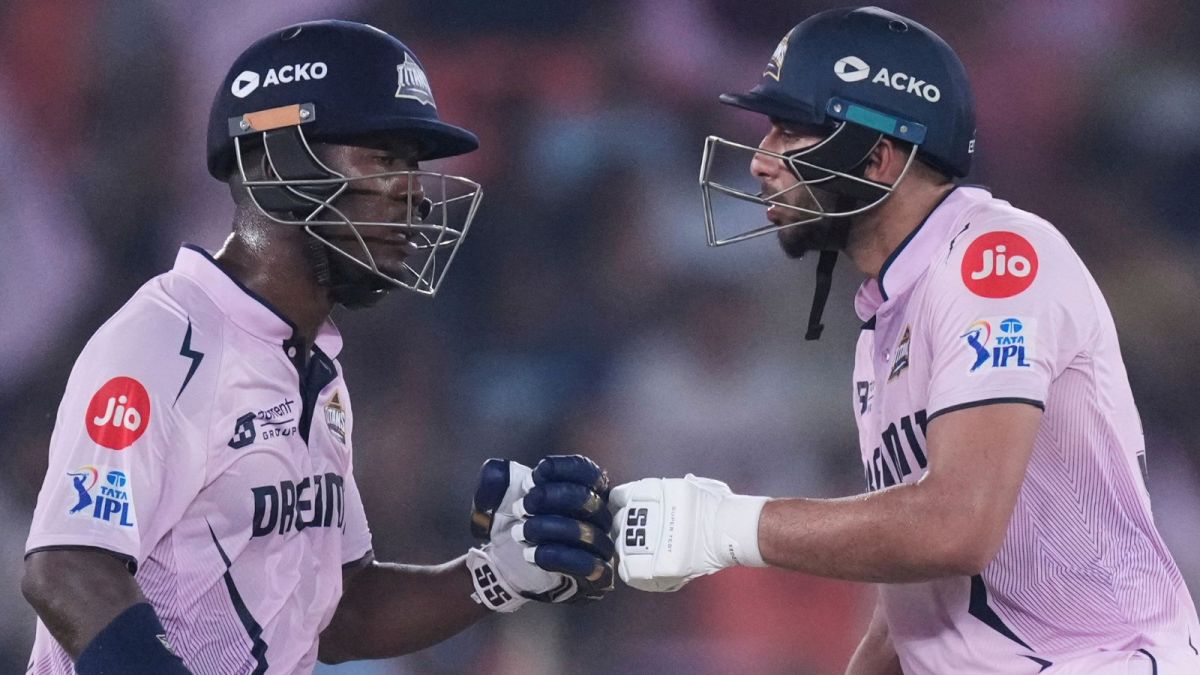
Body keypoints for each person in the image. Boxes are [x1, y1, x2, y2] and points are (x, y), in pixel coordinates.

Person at [612, 7, 1200, 674]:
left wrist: (717, 525)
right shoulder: (889, 318)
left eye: (788, 130)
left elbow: (958, 524)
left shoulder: (993, 259)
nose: (762, 161)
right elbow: (920, 611)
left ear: (877, 155)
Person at [21, 20, 613, 675]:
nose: (414, 193)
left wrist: (498, 569)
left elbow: (341, 611)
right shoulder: (166, 340)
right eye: (385, 159)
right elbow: (69, 567)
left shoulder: (315, 369)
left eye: (412, 165)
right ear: (279, 162)